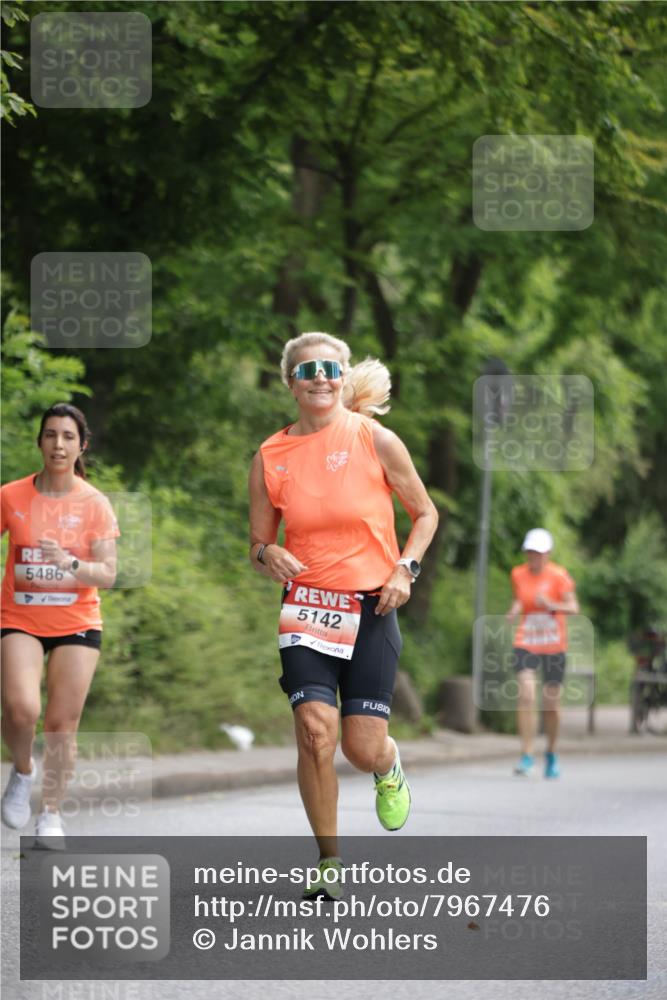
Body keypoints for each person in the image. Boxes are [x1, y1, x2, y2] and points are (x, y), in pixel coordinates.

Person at [248, 332, 438, 898]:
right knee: (313, 731)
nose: (321, 377)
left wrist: (406, 568)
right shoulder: (269, 456)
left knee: (359, 747)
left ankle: (387, 764)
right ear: (291, 384)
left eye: (331, 367)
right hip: (307, 607)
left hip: (372, 606)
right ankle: (329, 861)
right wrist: (267, 554)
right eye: (308, 370)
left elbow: (424, 514)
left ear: (343, 374)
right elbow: (257, 544)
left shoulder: (375, 440)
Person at [1, 403, 119, 847]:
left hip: (76, 621)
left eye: (68, 437)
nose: (58, 444)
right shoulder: (11, 496)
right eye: (50, 435)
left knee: (60, 722)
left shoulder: (94, 503)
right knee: (20, 710)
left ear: (81, 445)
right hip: (21, 617)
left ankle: (50, 813)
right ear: (39, 442)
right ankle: (22, 771)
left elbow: (107, 574)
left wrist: (68, 562)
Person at [506, 528, 579, 779]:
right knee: (526, 694)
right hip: (526, 640)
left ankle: (551, 751)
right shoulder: (517, 574)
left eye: (538, 553)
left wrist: (552, 605)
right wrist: (514, 610)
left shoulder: (559, 577)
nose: (533, 557)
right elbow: (521, 599)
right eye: (530, 552)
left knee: (551, 704)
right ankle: (527, 754)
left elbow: (573, 607)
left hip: (554, 644)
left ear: (547, 554)